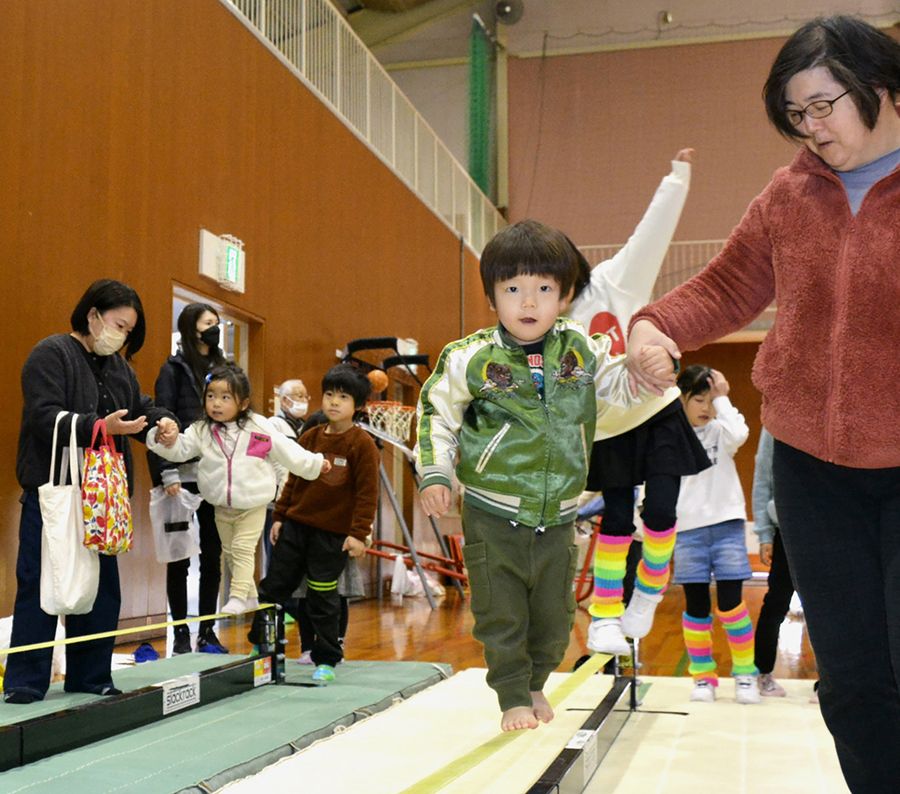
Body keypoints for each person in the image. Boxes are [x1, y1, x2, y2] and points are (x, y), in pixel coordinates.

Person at [626, 15, 900, 789]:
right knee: (851, 679)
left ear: (879, 86)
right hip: (815, 472)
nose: (810, 129)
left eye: (823, 106)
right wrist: (653, 326)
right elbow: (723, 286)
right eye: (795, 115)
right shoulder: (789, 196)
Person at [416, 219, 675, 732]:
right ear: (493, 295)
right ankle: (513, 693)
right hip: (494, 511)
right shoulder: (468, 357)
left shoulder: (581, 346)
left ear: (565, 295)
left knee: (556, 617)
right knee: (502, 613)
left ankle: (536, 679)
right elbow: (436, 416)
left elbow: (616, 391)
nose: (528, 302)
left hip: (558, 513)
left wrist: (646, 375)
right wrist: (435, 474)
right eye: (513, 289)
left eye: (543, 289)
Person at [565, 149, 710, 655]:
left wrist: (676, 179)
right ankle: (606, 613)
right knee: (618, 521)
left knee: (663, 513)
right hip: (609, 431)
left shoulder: (611, 282)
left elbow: (649, 235)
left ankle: (647, 596)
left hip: (655, 411)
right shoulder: (544, 330)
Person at [5, 279, 177, 704]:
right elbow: (43, 417)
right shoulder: (51, 354)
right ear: (93, 315)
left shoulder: (120, 369)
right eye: (118, 325)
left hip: (104, 498)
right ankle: (26, 681)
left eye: (128, 332)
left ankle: (92, 675)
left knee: (103, 589)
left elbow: (140, 408)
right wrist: (101, 428)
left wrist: (160, 422)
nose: (120, 337)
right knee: (40, 583)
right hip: (54, 492)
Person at [147, 362, 328, 614]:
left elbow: (287, 452)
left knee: (243, 549)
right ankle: (251, 596)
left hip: (253, 504)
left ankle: (239, 595)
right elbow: (181, 450)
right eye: (210, 397)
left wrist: (315, 464)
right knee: (231, 553)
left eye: (224, 397)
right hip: (221, 505)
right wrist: (162, 440)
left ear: (242, 403)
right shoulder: (202, 430)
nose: (216, 404)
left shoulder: (259, 427)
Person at [248, 364, 379, 685]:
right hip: (294, 525)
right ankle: (262, 646)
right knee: (273, 587)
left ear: (358, 406)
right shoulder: (309, 436)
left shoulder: (361, 445)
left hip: (331, 535)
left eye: (344, 397)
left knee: (322, 596)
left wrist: (358, 534)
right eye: (330, 394)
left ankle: (327, 658)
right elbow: (293, 481)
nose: (334, 402)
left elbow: (367, 495)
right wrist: (280, 517)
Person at [672, 366, 758, 704]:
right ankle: (703, 677)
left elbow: (741, 431)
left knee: (731, 605)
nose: (705, 406)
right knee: (695, 608)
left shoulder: (722, 432)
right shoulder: (672, 435)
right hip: (688, 532)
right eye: (698, 399)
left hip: (727, 528)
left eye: (710, 399)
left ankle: (745, 674)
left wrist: (722, 397)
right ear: (682, 399)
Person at [149, 302, 227, 656]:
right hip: (178, 476)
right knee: (179, 557)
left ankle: (207, 630)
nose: (214, 328)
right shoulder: (173, 369)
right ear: (191, 329)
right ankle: (179, 631)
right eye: (208, 323)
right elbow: (161, 420)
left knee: (213, 554)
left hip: (214, 476)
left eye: (216, 323)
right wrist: (166, 472)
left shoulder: (226, 369)